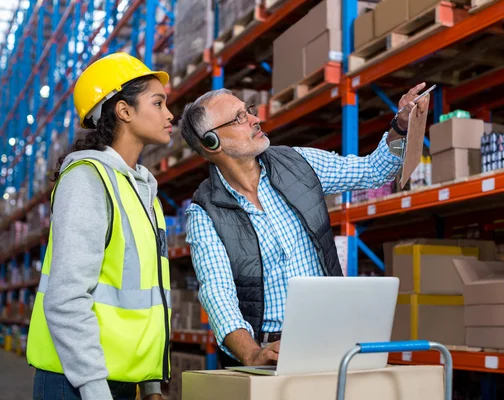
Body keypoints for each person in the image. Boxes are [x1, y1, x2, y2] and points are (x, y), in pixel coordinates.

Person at [179, 83, 429, 367]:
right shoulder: (205, 213)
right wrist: (251, 353)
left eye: (248, 110)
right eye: (239, 118)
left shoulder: (299, 163)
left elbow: (372, 170)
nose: (255, 119)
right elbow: (217, 292)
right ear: (212, 143)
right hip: (273, 353)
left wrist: (400, 126)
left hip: (335, 340)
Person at [26, 52, 174, 400]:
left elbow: (146, 295)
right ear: (124, 111)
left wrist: (149, 384)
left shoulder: (142, 190)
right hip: (77, 382)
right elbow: (66, 298)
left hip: (118, 379)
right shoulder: (88, 180)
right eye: (158, 102)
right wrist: (94, 389)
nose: (169, 115)